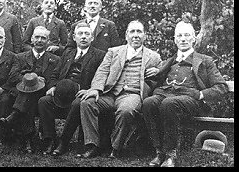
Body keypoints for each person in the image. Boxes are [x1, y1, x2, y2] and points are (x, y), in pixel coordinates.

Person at [142, 21, 228, 167]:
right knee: (149, 103)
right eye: (179, 36)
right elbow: (157, 81)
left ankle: (171, 154)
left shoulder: (205, 60)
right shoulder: (170, 61)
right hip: (166, 94)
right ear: (175, 40)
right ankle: (159, 152)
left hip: (191, 100)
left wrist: (201, 94)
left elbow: (221, 87)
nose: (183, 39)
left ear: (193, 39)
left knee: (169, 104)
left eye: (187, 35)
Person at [78, 20, 161, 159]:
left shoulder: (153, 56)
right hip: (110, 93)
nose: (135, 35)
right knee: (87, 103)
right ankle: (92, 145)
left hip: (132, 94)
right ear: (126, 35)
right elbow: (102, 71)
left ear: (145, 36)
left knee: (126, 111)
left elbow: (162, 76)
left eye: (139, 32)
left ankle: (116, 147)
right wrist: (96, 89)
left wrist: (157, 71)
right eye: (132, 32)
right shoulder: (114, 52)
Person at [37, 22, 106, 156]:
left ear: (92, 38)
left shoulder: (100, 55)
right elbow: (55, 74)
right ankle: (50, 139)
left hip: (82, 93)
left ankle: (63, 142)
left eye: (87, 34)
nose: (84, 37)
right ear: (74, 37)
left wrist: (89, 90)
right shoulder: (68, 53)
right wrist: (53, 87)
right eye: (80, 34)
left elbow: (101, 77)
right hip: (62, 92)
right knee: (44, 101)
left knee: (77, 104)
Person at [0, 26, 60, 153]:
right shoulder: (20, 57)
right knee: (29, 94)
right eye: (37, 37)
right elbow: (13, 76)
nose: (39, 40)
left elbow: (54, 79)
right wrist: (31, 80)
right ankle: (34, 138)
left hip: (44, 93)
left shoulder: (55, 59)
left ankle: (26, 136)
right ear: (32, 39)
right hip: (23, 91)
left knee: (31, 96)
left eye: (43, 38)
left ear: (48, 41)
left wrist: (46, 84)